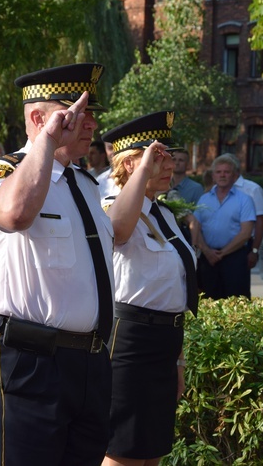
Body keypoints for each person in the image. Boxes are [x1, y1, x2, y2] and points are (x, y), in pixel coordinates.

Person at [0, 63, 114, 465]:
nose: (90, 123)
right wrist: (46, 143)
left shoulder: (84, 184)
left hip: (86, 365)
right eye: (76, 113)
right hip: (28, 362)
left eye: (92, 113)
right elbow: (15, 214)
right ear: (38, 118)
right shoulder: (1, 173)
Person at [100, 112, 197, 466]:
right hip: (130, 343)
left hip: (163, 343)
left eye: (169, 156)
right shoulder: (114, 207)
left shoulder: (164, 214)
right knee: (122, 450)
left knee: (152, 451)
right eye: (159, 157)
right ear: (130, 164)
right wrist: (141, 174)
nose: (171, 164)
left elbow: (174, 291)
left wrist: (178, 361)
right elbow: (119, 232)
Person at [191, 154, 256, 299]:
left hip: (235, 258)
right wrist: (207, 251)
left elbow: (246, 233)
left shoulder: (244, 200)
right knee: (208, 302)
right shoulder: (204, 199)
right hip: (208, 259)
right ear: (213, 176)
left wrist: (223, 253)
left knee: (237, 302)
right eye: (219, 172)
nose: (222, 175)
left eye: (227, 172)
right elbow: (195, 227)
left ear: (235, 176)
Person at [220, 153, 263, 270]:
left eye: (227, 170)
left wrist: (255, 250)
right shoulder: (218, 188)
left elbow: (260, 221)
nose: (223, 174)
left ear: (235, 170)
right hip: (218, 244)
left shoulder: (252, 189)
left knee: (237, 285)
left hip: (243, 245)